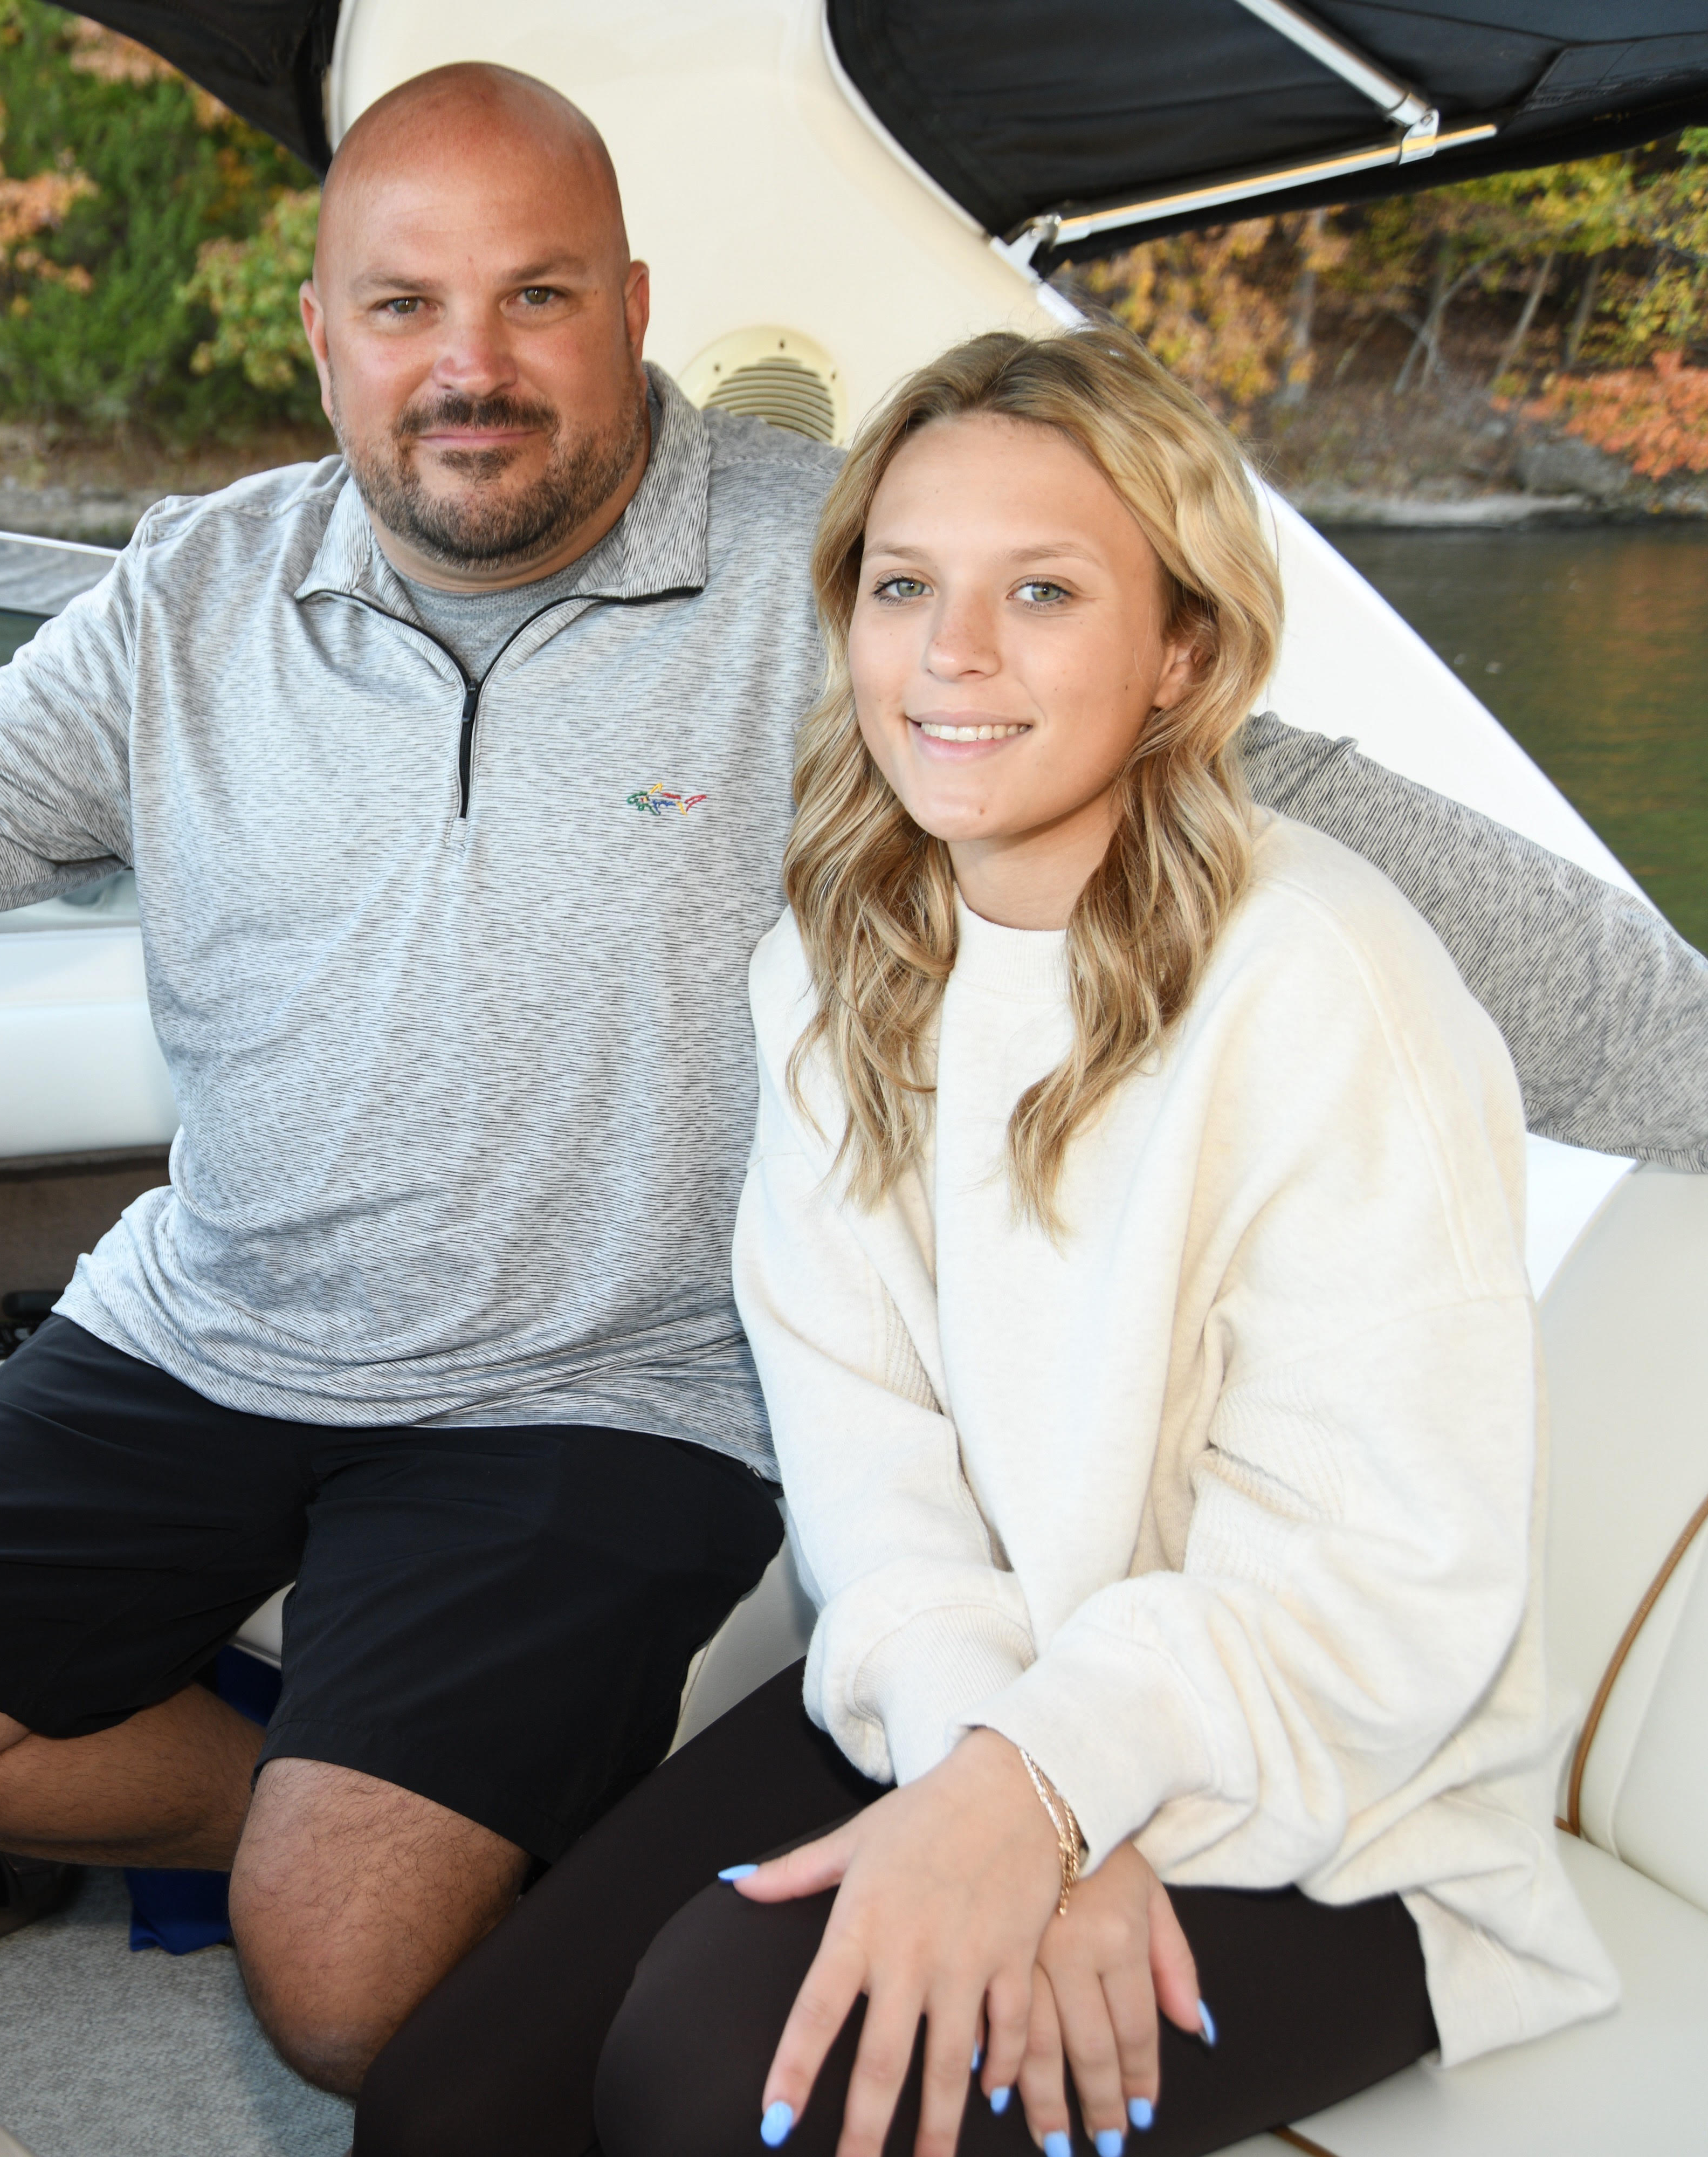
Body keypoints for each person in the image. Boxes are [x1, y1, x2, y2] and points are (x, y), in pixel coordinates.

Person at [0, 65, 1708, 2092]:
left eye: (531, 300)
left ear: (632, 310)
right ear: (324, 336)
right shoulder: (198, 596)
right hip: (214, 1320)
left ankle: (399, 1837)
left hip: (607, 1396)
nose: (465, 367)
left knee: (356, 1995)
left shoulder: (855, 579)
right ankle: (365, 1787)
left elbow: (1311, 807)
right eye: (403, 307)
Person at [352, 326, 1618, 2157]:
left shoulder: (1322, 985)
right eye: (902, 588)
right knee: (445, 2115)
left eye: (1041, 591)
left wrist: (1062, 1796)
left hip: (1338, 1788)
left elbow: (1377, 1576)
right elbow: (865, 1455)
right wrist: (1003, 1787)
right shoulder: (832, 970)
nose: (950, 654)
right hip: (980, 1683)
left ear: (1182, 650)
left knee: (714, 2091)